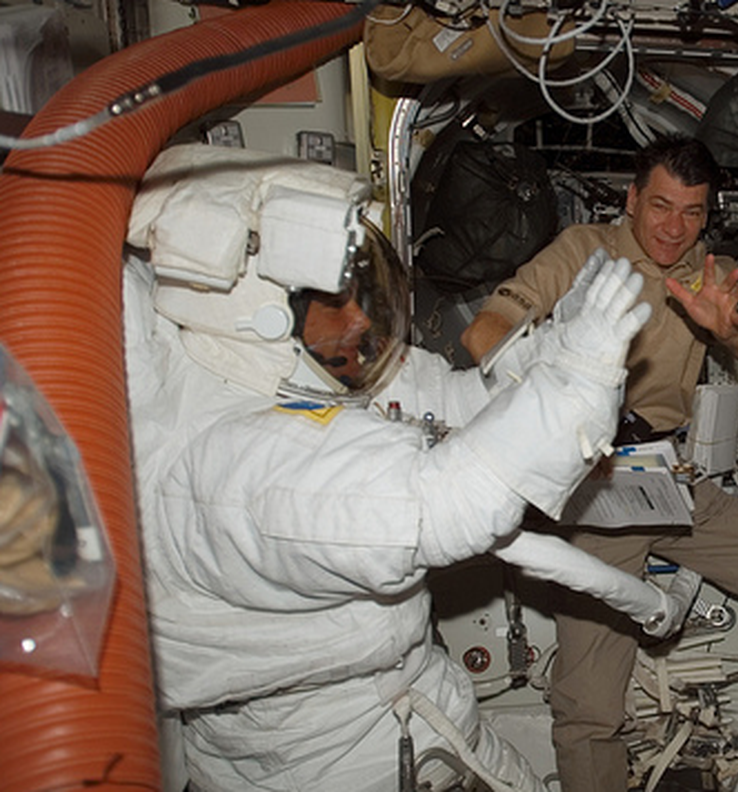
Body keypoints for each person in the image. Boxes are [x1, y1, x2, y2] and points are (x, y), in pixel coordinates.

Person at [123, 143, 703, 792]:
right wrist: (569, 390)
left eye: (360, 292)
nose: (357, 323)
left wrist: (545, 355)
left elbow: (448, 405)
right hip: (334, 761)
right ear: (251, 310)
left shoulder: (294, 374)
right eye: (329, 301)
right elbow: (440, 505)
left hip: (416, 711)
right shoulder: (242, 467)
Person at [462, 134, 738, 791]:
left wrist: (733, 331)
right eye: (659, 206)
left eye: (691, 212)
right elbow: (483, 332)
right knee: (590, 704)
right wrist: (558, 369)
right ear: (631, 199)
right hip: (593, 486)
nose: (673, 227)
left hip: (672, 479)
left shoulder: (708, 273)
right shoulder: (584, 254)